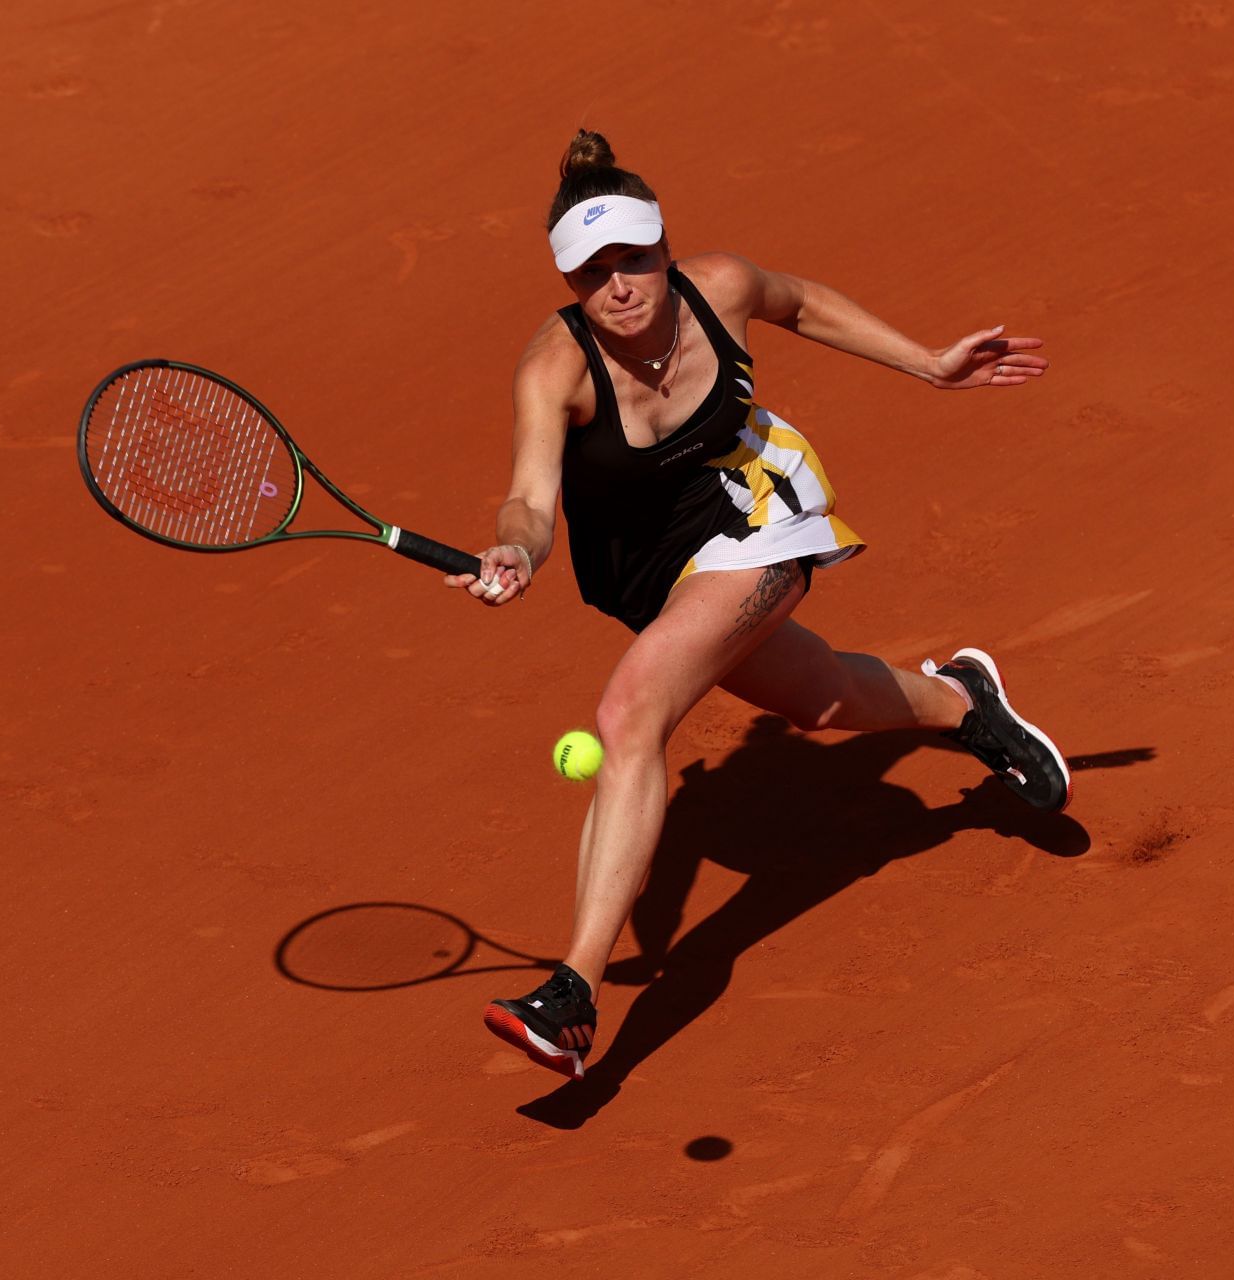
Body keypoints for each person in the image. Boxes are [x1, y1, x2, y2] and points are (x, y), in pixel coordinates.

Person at [450, 130, 1070, 1083]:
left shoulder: (721, 289)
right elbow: (530, 501)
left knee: (629, 714)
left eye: (633, 260)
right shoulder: (555, 370)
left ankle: (571, 992)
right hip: (654, 573)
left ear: (665, 246)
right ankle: (964, 704)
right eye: (591, 273)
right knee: (818, 703)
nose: (618, 286)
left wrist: (928, 364)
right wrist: (515, 549)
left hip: (756, 518)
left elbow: (803, 302)